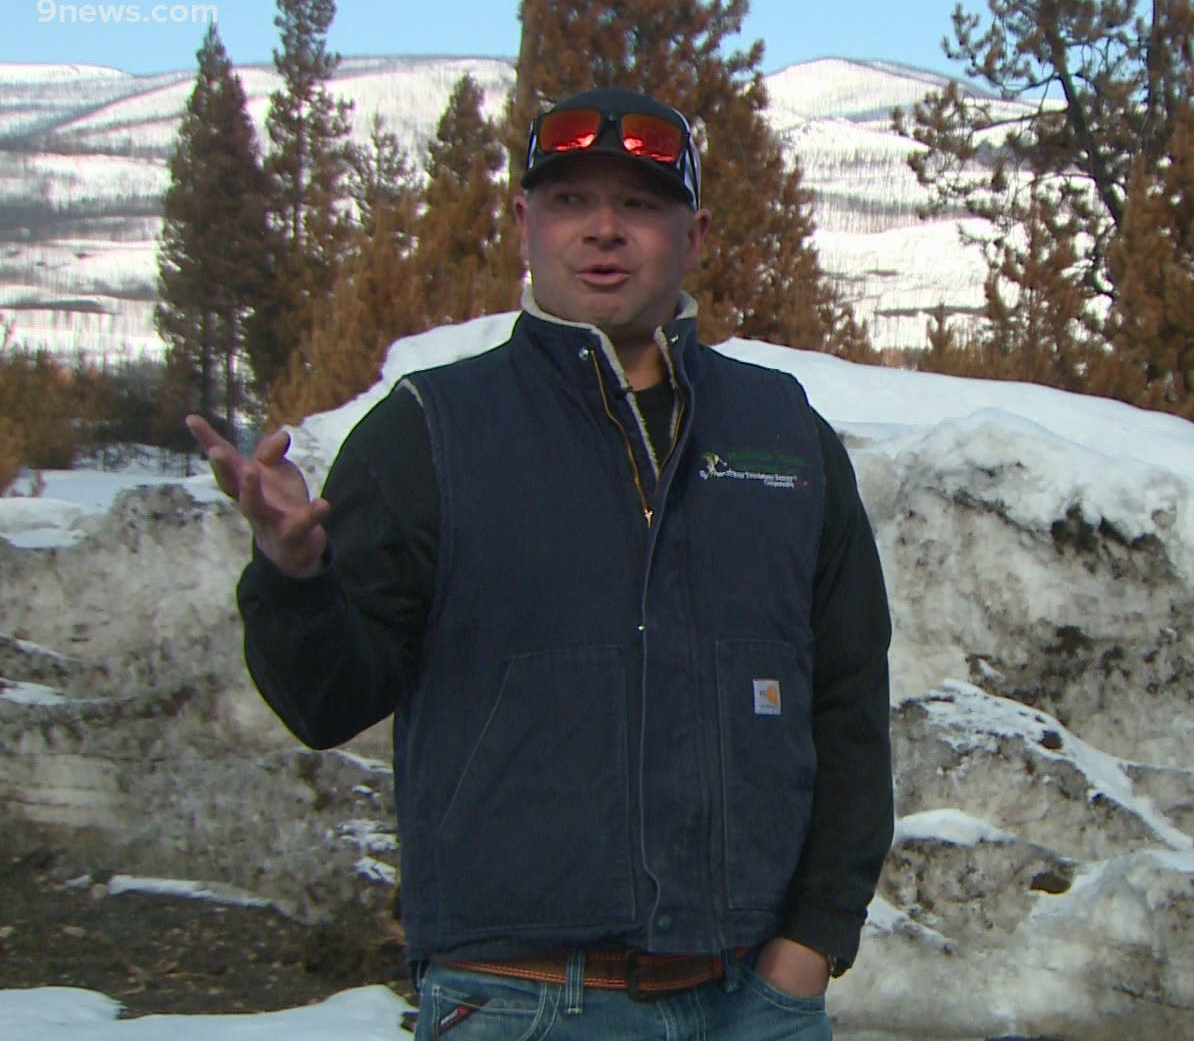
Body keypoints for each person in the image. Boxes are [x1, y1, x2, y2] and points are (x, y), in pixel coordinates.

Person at [187, 86, 894, 1039]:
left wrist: (807, 954)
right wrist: (295, 576)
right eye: (570, 202)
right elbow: (324, 702)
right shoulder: (431, 431)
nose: (604, 230)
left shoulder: (783, 436)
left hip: (751, 1002)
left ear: (695, 232)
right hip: (519, 1000)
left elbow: (847, 707)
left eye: (641, 204)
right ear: (523, 223)